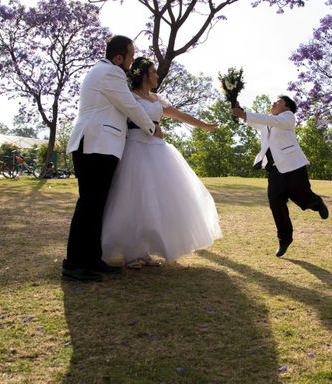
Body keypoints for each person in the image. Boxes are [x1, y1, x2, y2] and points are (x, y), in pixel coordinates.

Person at [101, 57, 222, 268]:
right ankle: (131, 252)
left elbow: (179, 115)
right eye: (153, 72)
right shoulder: (129, 96)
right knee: (133, 199)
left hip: (158, 150)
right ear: (144, 75)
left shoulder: (157, 98)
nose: (157, 75)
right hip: (135, 148)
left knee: (154, 201)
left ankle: (145, 251)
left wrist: (205, 126)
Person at [62, 35, 162, 282]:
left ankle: (93, 258)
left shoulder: (102, 71)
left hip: (99, 144)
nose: (131, 61)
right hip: (96, 144)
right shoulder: (111, 73)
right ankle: (74, 264)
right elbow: (130, 106)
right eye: (130, 55)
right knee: (89, 204)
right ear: (119, 57)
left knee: (97, 205)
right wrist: (152, 127)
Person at [231, 96, 329, 257]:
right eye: (273, 102)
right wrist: (240, 111)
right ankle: (284, 239)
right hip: (275, 170)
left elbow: (267, 120)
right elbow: (256, 122)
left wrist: (243, 114)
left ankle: (316, 203)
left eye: (277, 102)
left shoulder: (288, 117)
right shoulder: (268, 123)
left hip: (294, 166)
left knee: (302, 198)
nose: (273, 103)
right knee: (275, 203)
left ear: (287, 106)